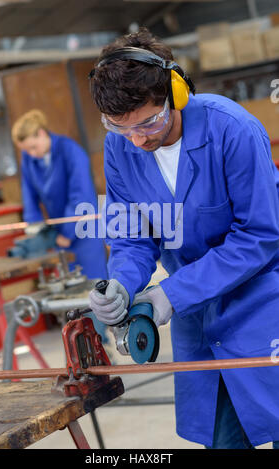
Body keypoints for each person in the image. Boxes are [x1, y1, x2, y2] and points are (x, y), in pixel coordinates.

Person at [88, 28, 279, 448]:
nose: (138, 139)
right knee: (222, 437)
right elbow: (132, 234)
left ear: (176, 93)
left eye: (149, 122)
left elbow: (259, 237)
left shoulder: (232, 130)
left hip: (264, 297)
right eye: (120, 127)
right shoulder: (120, 148)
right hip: (197, 312)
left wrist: (172, 294)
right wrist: (122, 282)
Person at [12, 109, 108, 341]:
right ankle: (79, 347)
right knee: (68, 295)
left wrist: (66, 232)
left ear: (43, 133)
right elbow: (29, 193)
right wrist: (35, 229)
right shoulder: (30, 158)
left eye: (33, 148)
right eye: (26, 151)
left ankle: (99, 345)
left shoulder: (72, 152)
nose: (31, 155)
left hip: (83, 230)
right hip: (59, 234)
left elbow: (81, 196)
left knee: (93, 291)